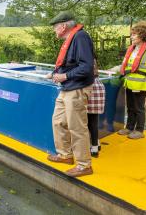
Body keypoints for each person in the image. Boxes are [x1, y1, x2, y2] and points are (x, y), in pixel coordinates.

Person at [46, 11, 95, 177]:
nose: (54, 30)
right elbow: (68, 63)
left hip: (77, 88)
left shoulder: (80, 37)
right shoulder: (71, 38)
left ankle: (84, 165)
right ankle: (65, 155)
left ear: (64, 25)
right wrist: (54, 73)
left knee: (77, 127)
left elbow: (86, 66)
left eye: (55, 27)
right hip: (67, 87)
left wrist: (64, 76)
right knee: (58, 121)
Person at [110, 22, 146, 139]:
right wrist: (112, 69)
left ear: (142, 36)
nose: (131, 37)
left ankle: (139, 130)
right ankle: (129, 128)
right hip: (130, 83)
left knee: (139, 108)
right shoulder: (132, 49)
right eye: (131, 34)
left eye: (134, 34)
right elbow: (125, 66)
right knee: (130, 107)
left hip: (140, 84)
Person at [87, 59, 105, 157]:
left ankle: (94, 147)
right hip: (97, 85)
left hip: (89, 86)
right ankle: (96, 144)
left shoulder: (83, 55)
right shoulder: (91, 57)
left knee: (89, 121)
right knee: (93, 121)